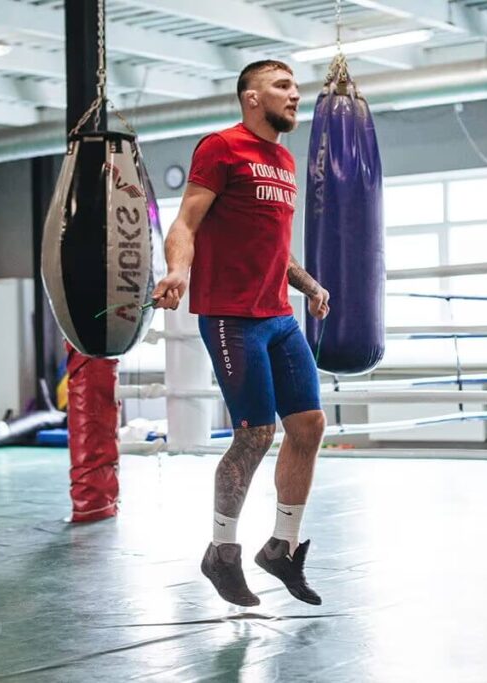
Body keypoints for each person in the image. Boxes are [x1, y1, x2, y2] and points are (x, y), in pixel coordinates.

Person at [151, 60, 329, 607]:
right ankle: (222, 553)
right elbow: (185, 222)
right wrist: (178, 269)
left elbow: (273, 246)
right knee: (254, 434)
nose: (295, 95)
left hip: (277, 314)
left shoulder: (283, 159)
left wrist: (307, 283)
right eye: (282, 87)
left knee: (309, 424)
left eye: (296, 87)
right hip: (230, 316)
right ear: (251, 97)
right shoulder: (220, 147)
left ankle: (281, 546)